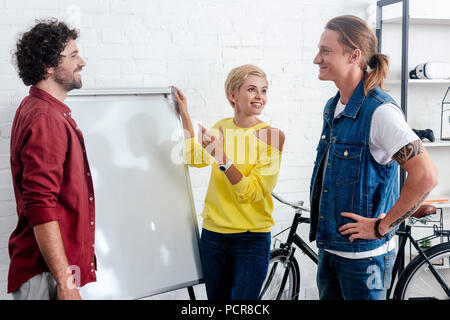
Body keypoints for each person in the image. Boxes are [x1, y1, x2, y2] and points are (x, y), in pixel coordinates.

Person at [309, 15, 439, 300]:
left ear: (354, 55)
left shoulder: (379, 112)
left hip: (364, 260)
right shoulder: (334, 107)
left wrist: (382, 226)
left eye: (326, 51)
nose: (317, 58)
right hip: (330, 251)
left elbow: (426, 174)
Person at [173, 64, 285, 300]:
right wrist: (184, 114)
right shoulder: (221, 127)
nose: (259, 96)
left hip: (251, 238)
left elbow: (253, 192)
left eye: (264, 90)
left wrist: (223, 158)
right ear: (233, 95)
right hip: (213, 235)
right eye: (252, 89)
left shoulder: (272, 136)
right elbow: (193, 157)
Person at [8, 19, 96, 300]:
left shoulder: (40, 109)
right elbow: (40, 205)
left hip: (53, 272)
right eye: (72, 55)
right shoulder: (46, 118)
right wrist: (66, 282)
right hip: (47, 274)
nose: (81, 61)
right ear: (48, 66)